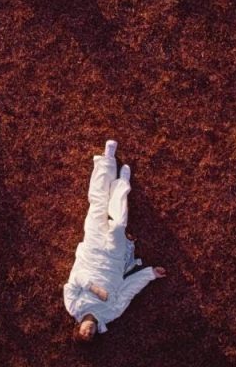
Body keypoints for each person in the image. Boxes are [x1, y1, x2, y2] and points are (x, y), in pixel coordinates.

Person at [63, 140, 167, 342]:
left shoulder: (73, 306)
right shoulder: (111, 313)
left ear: (78, 328)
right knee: (119, 224)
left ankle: (107, 160)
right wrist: (150, 274)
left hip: (91, 252)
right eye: (91, 335)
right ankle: (122, 184)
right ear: (95, 332)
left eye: (83, 333)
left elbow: (74, 281)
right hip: (114, 259)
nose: (88, 331)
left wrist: (94, 288)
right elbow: (128, 290)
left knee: (97, 205)